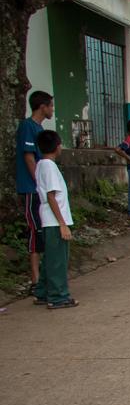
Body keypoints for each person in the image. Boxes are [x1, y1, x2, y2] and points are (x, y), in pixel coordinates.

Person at [32, 130, 77, 309]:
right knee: (58, 260)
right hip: (54, 221)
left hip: (49, 220)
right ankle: (58, 296)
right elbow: (51, 196)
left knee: (50, 259)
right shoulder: (49, 166)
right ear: (57, 146)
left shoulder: (41, 164)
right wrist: (62, 224)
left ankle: (43, 292)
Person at [16, 90, 54, 292]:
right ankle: (35, 279)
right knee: (35, 231)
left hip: (42, 189)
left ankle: (44, 277)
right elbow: (29, 158)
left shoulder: (39, 129)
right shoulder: (28, 127)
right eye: (51, 106)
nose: (52, 110)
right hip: (33, 189)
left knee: (45, 231)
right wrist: (39, 183)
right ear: (43, 107)